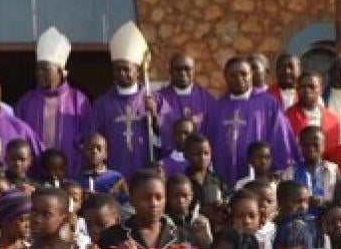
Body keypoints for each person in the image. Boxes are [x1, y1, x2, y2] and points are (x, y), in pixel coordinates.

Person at [91, 22, 166, 178]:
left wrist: (155, 117)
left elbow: (169, 138)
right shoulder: (102, 104)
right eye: (117, 69)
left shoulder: (153, 99)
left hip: (146, 170)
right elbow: (94, 141)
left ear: (138, 71)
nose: (121, 74)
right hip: (113, 174)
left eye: (126, 69)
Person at [204, 57, 295, 183]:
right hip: (222, 175)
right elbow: (206, 142)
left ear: (251, 75)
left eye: (243, 74)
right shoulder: (216, 108)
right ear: (225, 77)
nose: (239, 79)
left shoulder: (268, 104)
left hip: (260, 177)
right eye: (233, 75)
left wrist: (278, 171)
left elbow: (281, 139)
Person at [15, 27, 92, 158]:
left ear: (60, 71)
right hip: (34, 172)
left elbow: (87, 135)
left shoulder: (79, 101)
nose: (40, 73)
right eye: (38, 69)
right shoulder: (26, 102)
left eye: (45, 69)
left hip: (69, 171)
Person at [98, 170, 188, 249]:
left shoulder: (182, 237)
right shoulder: (111, 237)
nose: (153, 204)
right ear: (132, 200)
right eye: (146, 198)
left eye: (159, 198)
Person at [157, 53, 217, 135]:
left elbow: (213, 130)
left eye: (187, 69)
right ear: (170, 71)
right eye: (178, 69)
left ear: (194, 71)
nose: (182, 73)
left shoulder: (207, 100)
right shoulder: (158, 99)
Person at [285, 71, 341, 146]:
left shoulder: (332, 120)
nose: (307, 91)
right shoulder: (286, 117)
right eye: (303, 86)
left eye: (312, 87)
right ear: (297, 89)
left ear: (321, 90)